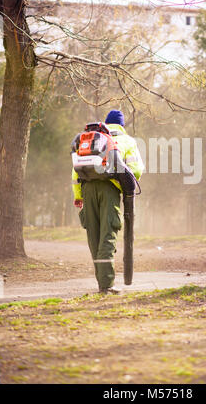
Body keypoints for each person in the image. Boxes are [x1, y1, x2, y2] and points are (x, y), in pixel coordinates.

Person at [72, 110, 144, 294]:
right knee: (108, 234)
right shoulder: (127, 141)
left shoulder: (93, 139)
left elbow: (75, 173)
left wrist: (78, 196)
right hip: (109, 189)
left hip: (87, 189)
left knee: (93, 236)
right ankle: (107, 285)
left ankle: (102, 283)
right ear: (122, 125)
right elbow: (135, 171)